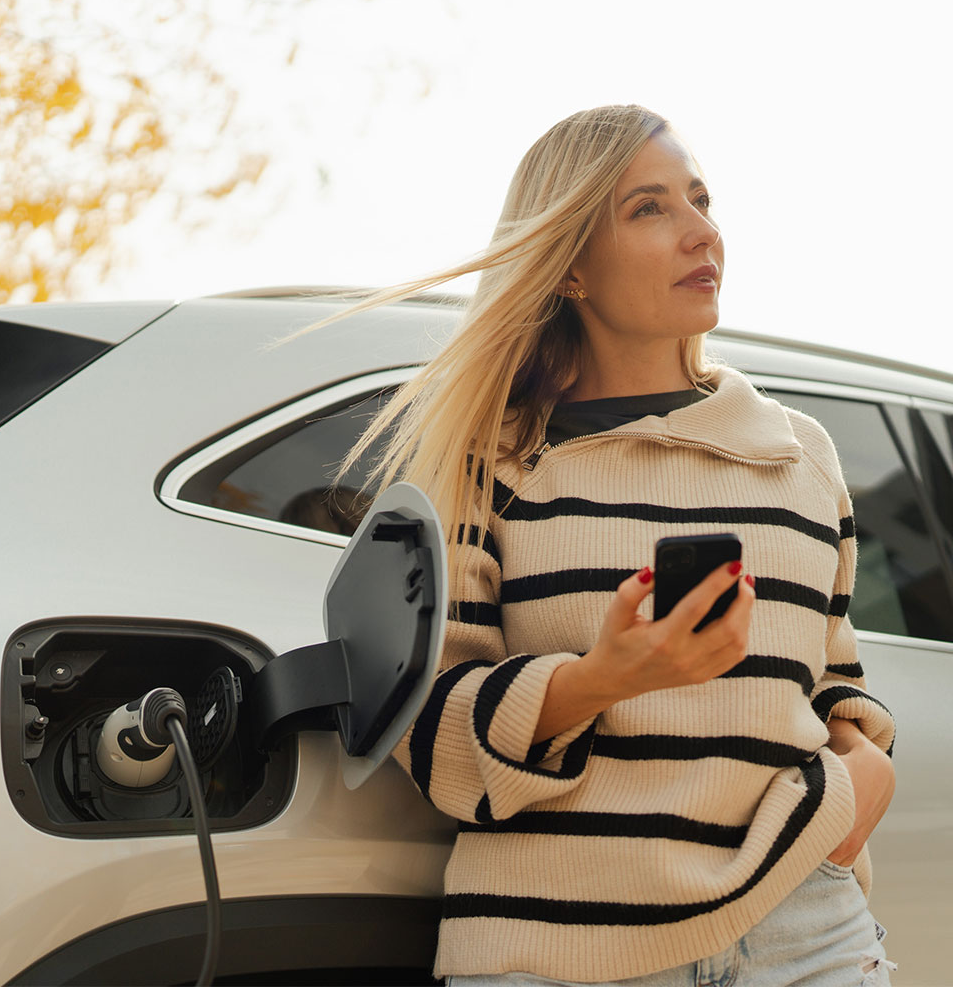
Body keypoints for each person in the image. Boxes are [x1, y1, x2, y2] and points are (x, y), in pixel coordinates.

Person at [333, 105, 897, 985]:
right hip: (561, 952)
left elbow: (830, 679)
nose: (701, 231)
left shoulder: (799, 451)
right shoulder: (491, 461)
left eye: (701, 200)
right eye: (650, 209)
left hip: (805, 931)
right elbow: (428, 729)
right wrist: (603, 678)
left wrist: (864, 773)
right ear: (572, 271)